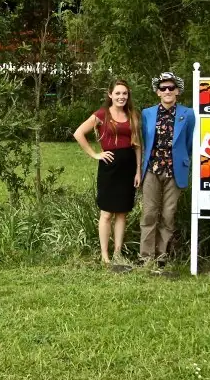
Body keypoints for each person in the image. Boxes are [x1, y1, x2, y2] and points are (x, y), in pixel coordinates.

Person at [74, 79, 142, 265]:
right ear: (110, 95)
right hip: (109, 167)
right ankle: (105, 256)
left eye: (125, 94)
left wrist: (138, 170)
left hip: (128, 167)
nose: (121, 97)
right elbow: (78, 133)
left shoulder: (133, 115)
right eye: (118, 93)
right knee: (106, 213)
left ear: (128, 96)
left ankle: (118, 253)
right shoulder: (102, 114)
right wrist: (95, 154)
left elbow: (137, 145)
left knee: (122, 213)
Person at [139, 72, 195, 273]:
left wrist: (182, 160)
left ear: (177, 91)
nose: (167, 91)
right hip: (152, 169)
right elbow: (144, 141)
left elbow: (188, 143)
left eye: (171, 88)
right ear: (157, 92)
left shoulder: (188, 114)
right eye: (163, 88)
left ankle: (162, 256)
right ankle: (146, 257)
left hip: (175, 169)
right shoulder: (147, 113)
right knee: (149, 213)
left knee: (168, 214)